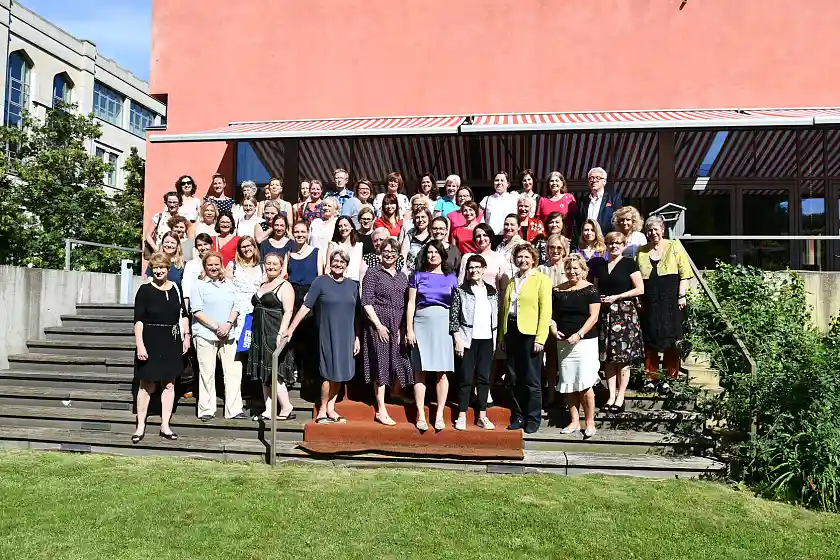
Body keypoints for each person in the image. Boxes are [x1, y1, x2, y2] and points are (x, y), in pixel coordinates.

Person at [284, 249, 360, 424]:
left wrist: (356, 337)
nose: (338, 264)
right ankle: (322, 410)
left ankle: (332, 408)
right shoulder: (321, 282)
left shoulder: (353, 286)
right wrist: (291, 328)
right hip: (327, 334)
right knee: (328, 373)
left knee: (340, 373)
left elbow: (357, 315)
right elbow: (306, 306)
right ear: (329, 263)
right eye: (335, 261)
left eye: (342, 262)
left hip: (347, 336)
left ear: (347, 266)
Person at [132, 252, 189, 443]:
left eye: (162, 267)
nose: (159, 271)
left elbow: (184, 314)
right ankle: (140, 427)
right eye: (155, 267)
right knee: (146, 384)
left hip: (171, 340)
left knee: (170, 384)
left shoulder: (176, 288)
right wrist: (140, 345)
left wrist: (186, 336)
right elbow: (138, 321)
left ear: (168, 269)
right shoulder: (144, 290)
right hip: (150, 340)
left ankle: (165, 425)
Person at [406, 240, 458, 432]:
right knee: (420, 370)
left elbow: (455, 308)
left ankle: (439, 414)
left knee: (441, 371)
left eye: (436, 252)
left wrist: (455, 333)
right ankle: (420, 413)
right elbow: (411, 303)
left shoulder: (451, 278)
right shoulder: (417, 276)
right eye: (429, 252)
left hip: (443, 324)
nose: (432, 255)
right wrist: (410, 329)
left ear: (442, 255)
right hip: (421, 322)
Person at [636, 214, 693, 390]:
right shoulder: (641, 251)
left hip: (671, 299)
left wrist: (681, 295)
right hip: (650, 299)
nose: (653, 233)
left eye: (656, 229)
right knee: (650, 338)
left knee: (672, 339)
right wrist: (638, 300)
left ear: (662, 229)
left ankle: (670, 378)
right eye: (649, 230)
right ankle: (651, 378)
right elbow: (637, 277)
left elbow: (685, 273)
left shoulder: (674, 246)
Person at [499, 243, 551, 434]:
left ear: (533, 259)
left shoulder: (541, 280)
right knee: (513, 378)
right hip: (511, 331)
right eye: (519, 257)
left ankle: (533, 417)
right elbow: (504, 311)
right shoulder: (513, 281)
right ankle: (518, 415)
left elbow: (545, 311)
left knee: (531, 379)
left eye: (526, 257)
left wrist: (540, 338)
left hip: (530, 334)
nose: (523, 260)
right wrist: (502, 337)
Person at [190, 251, 248, 421]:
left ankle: (234, 409)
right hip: (205, 334)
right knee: (207, 372)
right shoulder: (198, 285)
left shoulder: (228, 284)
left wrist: (228, 324)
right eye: (210, 265)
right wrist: (216, 327)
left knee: (234, 372)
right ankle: (206, 409)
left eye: (216, 264)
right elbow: (197, 311)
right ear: (205, 266)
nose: (213, 268)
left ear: (221, 265)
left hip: (228, 334)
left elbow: (236, 306)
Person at [361, 237, 413, 426]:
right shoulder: (373, 272)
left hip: (397, 323)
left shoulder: (402, 276)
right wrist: (378, 325)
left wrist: (402, 327)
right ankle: (381, 409)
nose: (389, 254)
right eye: (386, 251)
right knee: (381, 363)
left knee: (400, 359)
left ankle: (396, 393)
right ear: (380, 253)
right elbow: (366, 301)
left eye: (393, 251)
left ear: (398, 254)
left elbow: (406, 302)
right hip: (379, 323)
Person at [592, 231, 645, 412]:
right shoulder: (600, 267)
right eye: (611, 243)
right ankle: (611, 396)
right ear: (606, 245)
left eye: (617, 243)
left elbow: (640, 289)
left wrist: (617, 296)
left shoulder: (629, 263)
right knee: (608, 359)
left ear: (623, 245)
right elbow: (596, 290)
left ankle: (620, 397)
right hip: (606, 315)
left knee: (623, 358)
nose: (614, 246)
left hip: (624, 314)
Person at [552, 254, 601, 438]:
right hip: (563, 342)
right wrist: (554, 329)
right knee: (568, 382)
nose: (572, 272)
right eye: (569, 268)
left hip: (585, 342)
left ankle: (590, 422)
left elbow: (593, 316)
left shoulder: (590, 290)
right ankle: (574, 421)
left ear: (582, 270)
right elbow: (552, 315)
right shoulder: (557, 290)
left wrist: (579, 334)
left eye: (576, 268)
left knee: (586, 383)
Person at [450, 254, 499, 431]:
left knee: (484, 378)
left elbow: (496, 317)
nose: (474, 270)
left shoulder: (492, 291)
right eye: (471, 267)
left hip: (487, 340)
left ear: (484, 269)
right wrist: (457, 340)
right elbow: (454, 318)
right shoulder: (460, 291)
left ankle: (482, 415)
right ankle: (461, 415)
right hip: (467, 339)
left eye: (478, 267)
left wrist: (497, 339)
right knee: (465, 378)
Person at [248, 252, 297, 421]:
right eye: (268, 263)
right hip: (258, 332)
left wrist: (281, 333)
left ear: (281, 265)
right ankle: (269, 409)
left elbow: (288, 311)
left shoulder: (285, 286)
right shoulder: (263, 284)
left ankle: (286, 406)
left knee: (274, 371)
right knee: (264, 373)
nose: (271, 266)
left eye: (275, 263)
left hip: (273, 332)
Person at [286, 221, 323, 381]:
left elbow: (320, 278)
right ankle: (293, 372)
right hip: (293, 299)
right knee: (294, 337)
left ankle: (307, 376)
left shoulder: (317, 252)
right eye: (297, 232)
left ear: (308, 233)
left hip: (310, 298)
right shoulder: (288, 253)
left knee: (310, 337)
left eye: (303, 232)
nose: (300, 235)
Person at [538, 233, 569, 408]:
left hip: (565, 317)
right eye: (552, 247)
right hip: (547, 318)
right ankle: (550, 393)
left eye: (559, 248)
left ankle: (566, 394)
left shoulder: (570, 266)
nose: (555, 251)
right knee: (550, 358)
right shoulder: (541, 269)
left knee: (565, 358)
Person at [225, 236, 264, 344]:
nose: (247, 249)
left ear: (254, 247)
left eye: (249, 246)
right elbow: (226, 289)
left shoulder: (262, 267)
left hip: (255, 309)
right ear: (239, 249)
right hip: (237, 310)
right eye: (243, 247)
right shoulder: (232, 266)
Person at [576, 166, 622, 237]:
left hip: (607, 240)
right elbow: (579, 222)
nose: (594, 180)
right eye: (591, 178)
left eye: (597, 178)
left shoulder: (613, 198)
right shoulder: (583, 200)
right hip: (588, 240)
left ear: (604, 182)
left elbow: (619, 220)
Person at [459, 223, 504, 289]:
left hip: (493, 297)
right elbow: (461, 282)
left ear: (490, 237)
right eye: (478, 236)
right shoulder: (467, 257)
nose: (482, 238)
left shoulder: (499, 258)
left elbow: (504, 287)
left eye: (485, 235)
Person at [479, 171, 519, 239]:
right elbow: (479, 218)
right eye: (496, 180)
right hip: (492, 237)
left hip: (510, 236)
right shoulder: (487, 199)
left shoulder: (515, 198)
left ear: (508, 184)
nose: (499, 183)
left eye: (502, 180)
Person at [536, 171, 577, 235]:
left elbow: (575, 219)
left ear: (562, 183)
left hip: (565, 238)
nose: (554, 183)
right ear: (548, 184)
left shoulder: (569, 198)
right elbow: (539, 220)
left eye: (557, 180)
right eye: (551, 181)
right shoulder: (543, 200)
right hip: (547, 238)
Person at [182, 233, 214, 310]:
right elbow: (186, 287)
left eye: (206, 244)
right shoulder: (191, 264)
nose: (203, 248)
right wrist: (186, 308)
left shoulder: (217, 262)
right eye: (199, 245)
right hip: (196, 304)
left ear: (211, 245)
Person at [326, 215, 363, 280]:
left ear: (351, 227)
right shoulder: (333, 245)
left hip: (354, 282)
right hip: (336, 281)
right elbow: (328, 267)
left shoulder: (359, 246)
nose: (343, 228)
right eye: (340, 226)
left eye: (345, 225)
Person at [401, 207, 432, 272]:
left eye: (423, 217)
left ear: (429, 218)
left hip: (429, 273)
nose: (420, 220)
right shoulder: (410, 234)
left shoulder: (432, 236)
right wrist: (404, 271)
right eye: (417, 217)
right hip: (411, 273)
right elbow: (403, 254)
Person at [496, 214, 525, 283]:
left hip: (516, 283)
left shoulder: (523, 245)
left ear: (519, 227)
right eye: (506, 224)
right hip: (500, 285)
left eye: (512, 225)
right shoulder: (500, 246)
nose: (509, 227)